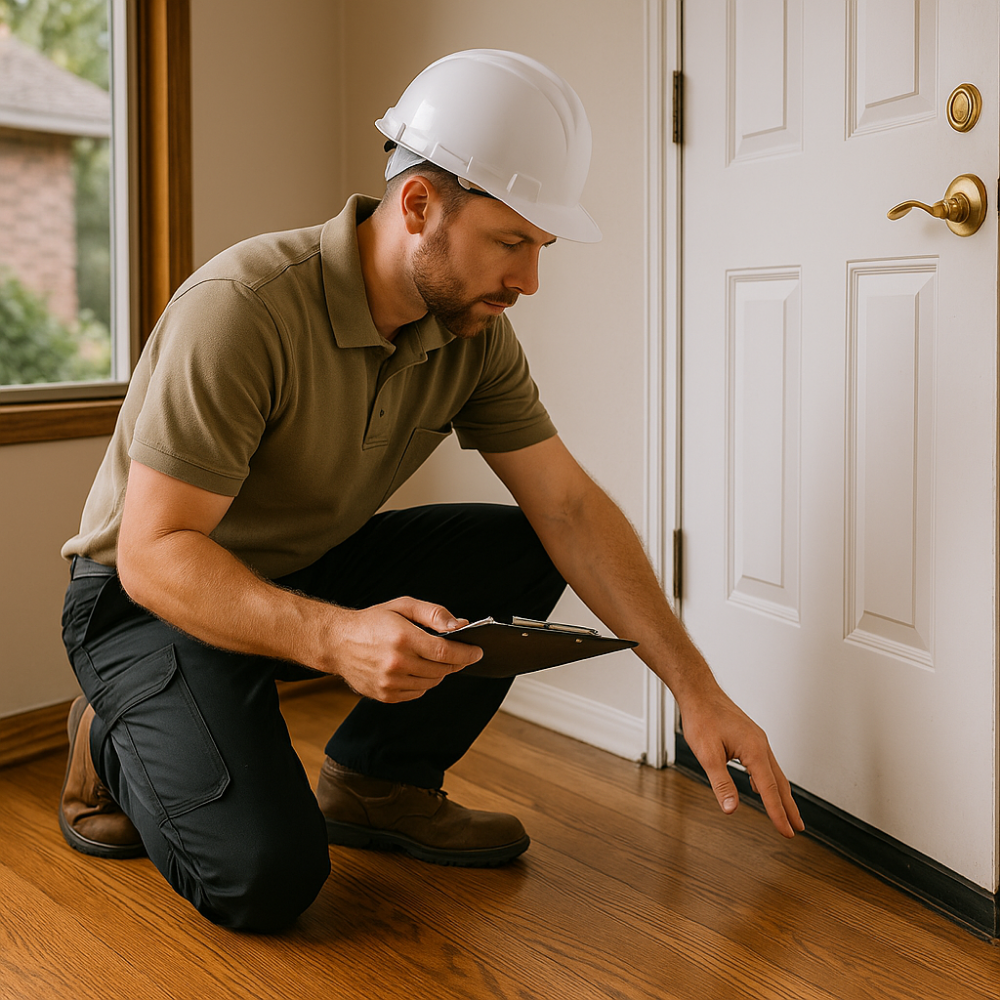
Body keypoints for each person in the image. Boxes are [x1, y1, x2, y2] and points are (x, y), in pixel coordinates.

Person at [59, 49, 803, 933]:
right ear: (418, 206)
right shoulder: (244, 308)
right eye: (512, 243)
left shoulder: (471, 337)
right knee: (263, 879)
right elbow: (152, 554)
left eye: (541, 248)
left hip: (302, 567)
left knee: (528, 542)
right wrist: (335, 637)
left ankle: (379, 785)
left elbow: (569, 509)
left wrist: (696, 689)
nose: (529, 282)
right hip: (145, 602)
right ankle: (109, 735)